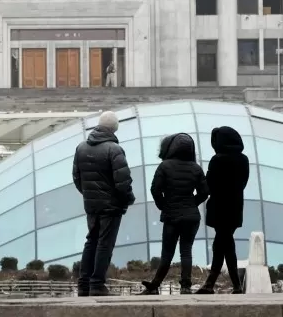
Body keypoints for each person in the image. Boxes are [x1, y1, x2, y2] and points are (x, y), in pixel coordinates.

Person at [72, 110, 135, 297]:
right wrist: (128, 199)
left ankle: (84, 284)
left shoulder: (81, 147)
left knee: (91, 241)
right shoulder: (114, 149)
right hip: (111, 206)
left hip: (91, 204)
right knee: (105, 244)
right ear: (115, 128)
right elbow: (123, 181)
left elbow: (77, 177)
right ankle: (97, 284)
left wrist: (89, 194)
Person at [142, 133, 208, 295]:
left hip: (171, 216)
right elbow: (205, 192)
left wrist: (163, 205)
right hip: (191, 217)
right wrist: (192, 203)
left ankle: (155, 285)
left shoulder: (165, 166)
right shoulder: (196, 168)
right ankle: (185, 286)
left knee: (167, 253)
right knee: (186, 251)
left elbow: (155, 190)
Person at [197, 126, 249, 294]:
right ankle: (221, 284)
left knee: (222, 244)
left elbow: (209, 184)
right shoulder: (243, 160)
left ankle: (221, 284)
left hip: (219, 207)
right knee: (223, 243)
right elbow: (243, 183)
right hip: (235, 207)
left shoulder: (217, 160)